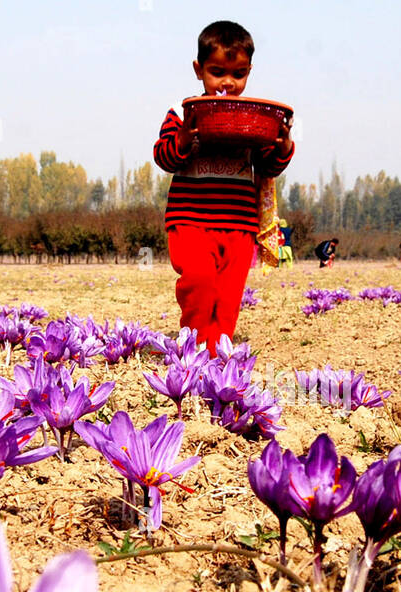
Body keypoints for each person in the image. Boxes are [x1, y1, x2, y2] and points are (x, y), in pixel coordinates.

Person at [153, 20, 294, 356]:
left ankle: (218, 354)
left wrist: (283, 147)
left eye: (239, 73)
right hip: (191, 221)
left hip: (239, 224)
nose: (228, 83)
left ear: (249, 72)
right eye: (217, 72)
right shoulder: (182, 113)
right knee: (199, 279)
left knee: (229, 296)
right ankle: (194, 346)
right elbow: (164, 157)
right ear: (199, 69)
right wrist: (185, 138)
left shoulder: (253, 118)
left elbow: (267, 168)